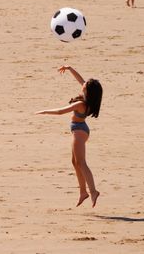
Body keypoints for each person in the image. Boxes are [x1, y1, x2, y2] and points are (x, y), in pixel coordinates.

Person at [36, 66, 102, 208]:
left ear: (87, 90)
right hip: (80, 130)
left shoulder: (81, 103)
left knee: (82, 163)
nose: (82, 84)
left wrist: (45, 111)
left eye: (84, 85)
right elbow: (80, 79)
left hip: (79, 131)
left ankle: (93, 191)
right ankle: (83, 192)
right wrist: (69, 68)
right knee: (75, 162)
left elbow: (60, 112)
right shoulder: (88, 99)